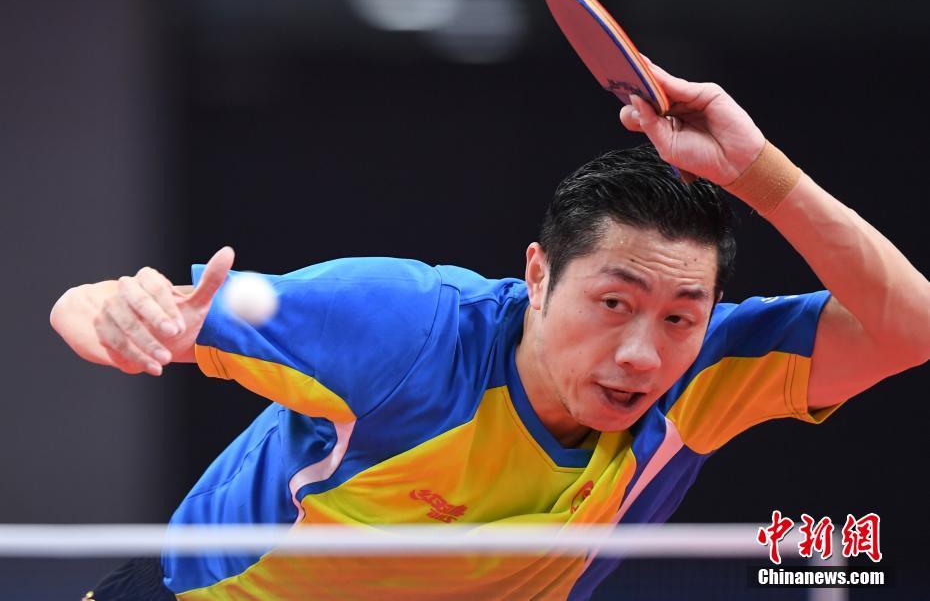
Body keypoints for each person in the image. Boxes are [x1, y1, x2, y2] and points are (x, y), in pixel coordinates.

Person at [52, 58, 929, 601]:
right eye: (613, 303)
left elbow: (910, 328)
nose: (641, 352)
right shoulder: (403, 328)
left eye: (679, 317)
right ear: (539, 275)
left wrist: (759, 174)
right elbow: (104, 307)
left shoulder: (710, 376)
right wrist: (121, 313)